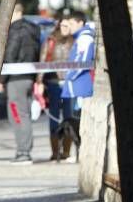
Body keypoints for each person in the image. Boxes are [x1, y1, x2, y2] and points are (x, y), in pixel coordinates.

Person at [1, 3, 41, 165]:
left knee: (17, 114)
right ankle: (24, 149)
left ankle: (23, 152)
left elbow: (9, 56)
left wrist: (1, 80)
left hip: (15, 77)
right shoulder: (33, 29)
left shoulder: (15, 30)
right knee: (23, 114)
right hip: (28, 75)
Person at [35, 16, 73, 161]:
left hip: (69, 82)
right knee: (54, 117)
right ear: (58, 26)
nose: (66, 29)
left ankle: (67, 151)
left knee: (69, 117)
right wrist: (39, 82)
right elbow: (42, 61)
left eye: (68, 26)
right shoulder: (50, 40)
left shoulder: (74, 40)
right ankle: (55, 151)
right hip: (53, 83)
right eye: (63, 25)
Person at [60, 11, 95, 162]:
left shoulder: (85, 38)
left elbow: (82, 61)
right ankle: (79, 152)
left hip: (79, 87)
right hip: (74, 86)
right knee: (75, 121)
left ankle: (83, 152)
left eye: (72, 23)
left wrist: (69, 76)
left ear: (80, 23)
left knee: (79, 121)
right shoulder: (80, 37)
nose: (70, 27)